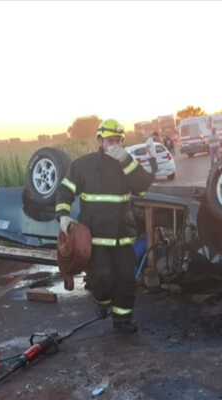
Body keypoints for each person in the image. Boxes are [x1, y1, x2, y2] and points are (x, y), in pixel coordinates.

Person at [55, 119, 153, 333]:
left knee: (126, 280)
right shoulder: (83, 165)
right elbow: (64, 191)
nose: (114, 144)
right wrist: (62, 215)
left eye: (118, 140)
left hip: (122, 237)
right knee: (102, 278)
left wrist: (127, 161)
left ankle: (122, 321)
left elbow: (143, 185)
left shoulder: (127, 165)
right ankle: (102, 302)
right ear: (100, 140)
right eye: (110, 140)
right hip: (96, 238)